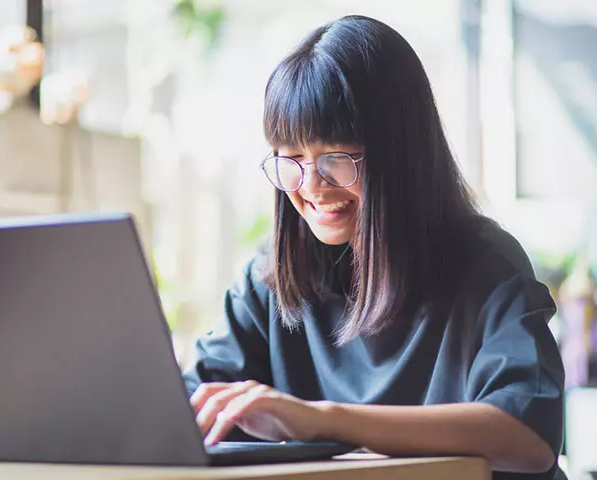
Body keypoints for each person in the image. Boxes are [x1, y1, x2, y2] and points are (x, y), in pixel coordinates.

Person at [183, 15, 566, 480]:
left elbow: (529, 436)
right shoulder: (272, 280)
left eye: (337, 158)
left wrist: (323, 420)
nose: (313, 186)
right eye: (291, 159)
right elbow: (188, 408)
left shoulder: (487, 266)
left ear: (402, 154)